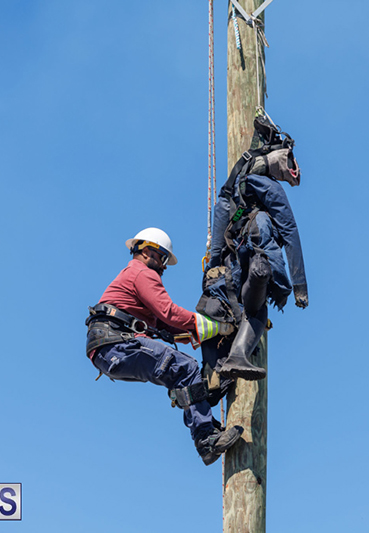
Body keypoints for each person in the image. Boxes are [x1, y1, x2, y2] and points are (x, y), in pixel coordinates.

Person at [85, 227, 242, 465]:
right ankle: (205, 438)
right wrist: (217, 326)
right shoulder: (142, 273)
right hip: (116, 343)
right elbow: (168, 312)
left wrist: (202, 332)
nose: (164, 267)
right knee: (185, 367)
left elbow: (164, 325)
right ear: (147, 251)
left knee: (179, 373)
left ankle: (205, 421)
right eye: (163, 258)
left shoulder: (132, 277)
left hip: (107, 350)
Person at [201, 116, 309, 383]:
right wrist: (300, 286)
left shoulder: (235, 184)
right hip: (256, 257)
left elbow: (220, 217)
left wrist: (214, 264)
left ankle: (225, 365)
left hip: (232, 262)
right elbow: (290, 231)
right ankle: (238, 356)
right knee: (257, 309)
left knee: (239, 306)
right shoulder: (270, 188)